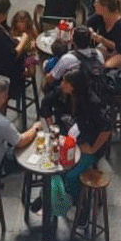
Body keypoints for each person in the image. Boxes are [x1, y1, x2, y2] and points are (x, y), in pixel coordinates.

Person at [34, 68, 112, 220]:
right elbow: (45, 104)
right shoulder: (61, 93)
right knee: (54, 166)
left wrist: (92, 148)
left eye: (65, 82)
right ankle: (49, 197)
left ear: (74, 87)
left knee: (71, 175)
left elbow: (107, 128)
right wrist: (52, 128)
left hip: (87, 145)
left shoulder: (92, 104)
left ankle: (80, 204)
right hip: (66, 140)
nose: (61, 84)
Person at [87, 0, 121, 68]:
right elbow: (87, 25)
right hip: (107, 47)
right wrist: (90, 31)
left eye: (96, 4)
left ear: (104, 7)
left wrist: (101, 40)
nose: (94, 5)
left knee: (106, 66)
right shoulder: (99, 16)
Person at [10, 10, 39, 78]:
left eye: (22, 22)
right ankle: (17, 77)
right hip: (18, 55)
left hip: (29, 54)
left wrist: (33, 42)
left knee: (31, 72)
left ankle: (21, 76)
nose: (19, 24)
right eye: (18, 22)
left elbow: (37, 39)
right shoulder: (13, 32)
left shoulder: (31, 30)